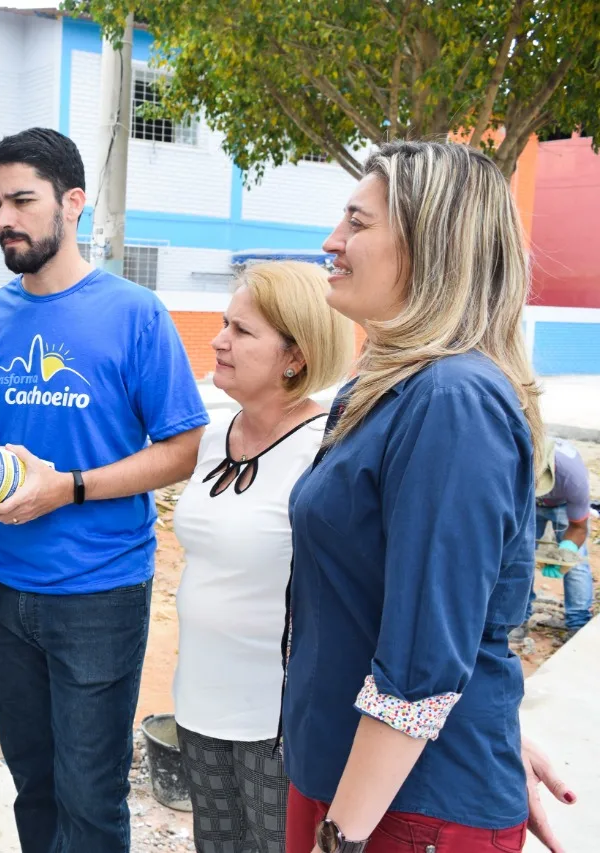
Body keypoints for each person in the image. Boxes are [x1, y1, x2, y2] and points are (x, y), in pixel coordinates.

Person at [0, 127, 209, 853]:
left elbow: (183, 447)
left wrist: (70, 487)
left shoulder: (135, 314)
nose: (5, 219)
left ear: (73, 202)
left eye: (22, 200)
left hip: (100, 593)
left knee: (90, 799)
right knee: (33, 783)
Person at [282, 141, 549, 853]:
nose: (332, 242)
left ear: (431, 244)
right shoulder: (386, 390)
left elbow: (424, 660)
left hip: (405, 812)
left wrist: (341, 837)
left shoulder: (453, 402)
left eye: (358, 223)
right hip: (350, 783)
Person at [172, 261, 354, 853]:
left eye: (242, 331)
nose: (219, 340)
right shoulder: (213, 438)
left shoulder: (329, 449)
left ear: (295, 355)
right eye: (224, 323)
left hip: (277, 725)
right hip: (199, 703)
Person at [520, 437, 593, 637]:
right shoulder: (516, 462)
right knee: (519, 557)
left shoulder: (573, 476)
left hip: (562, 504)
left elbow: (578, 527)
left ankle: (578, 623)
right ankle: (517, 618)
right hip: (528, 501)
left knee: (575, 563)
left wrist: (567, 549)